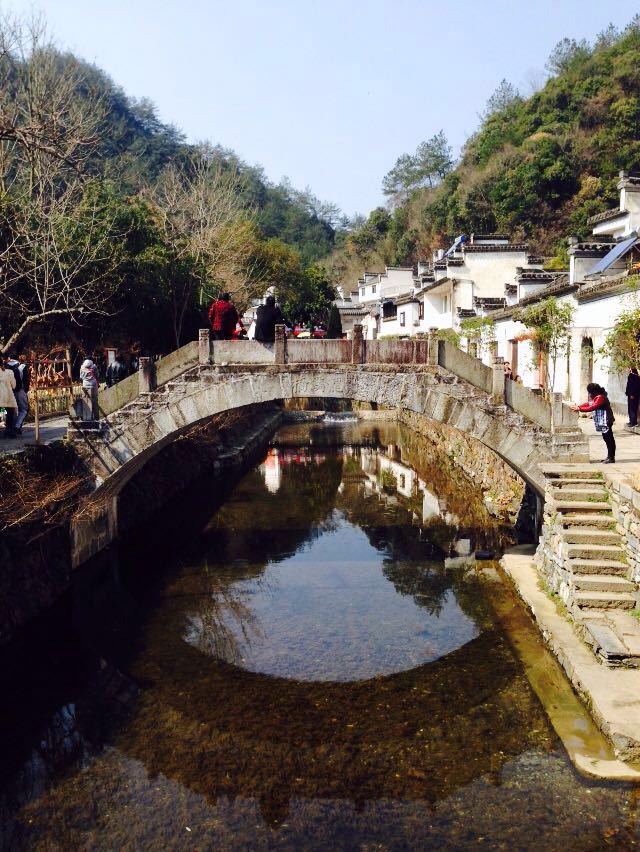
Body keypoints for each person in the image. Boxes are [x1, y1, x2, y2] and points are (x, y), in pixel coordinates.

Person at [571, 382, 616, 464]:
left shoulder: (601, 397)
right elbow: (588, 404)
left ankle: (611, 457)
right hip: (604, 421)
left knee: (609, 439)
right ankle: (609, 456)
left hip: (607, 421)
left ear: (594, 391)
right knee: (607, 439)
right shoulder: (597, 397)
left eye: (590, 392)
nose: (589, 394)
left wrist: (579, 409)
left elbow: (592, 407)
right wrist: (579, 406)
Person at [0, 356, 18, 438]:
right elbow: (14, 386)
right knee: (10, 414)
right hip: (8, 396)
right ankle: (9, 431)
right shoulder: (9, 372)